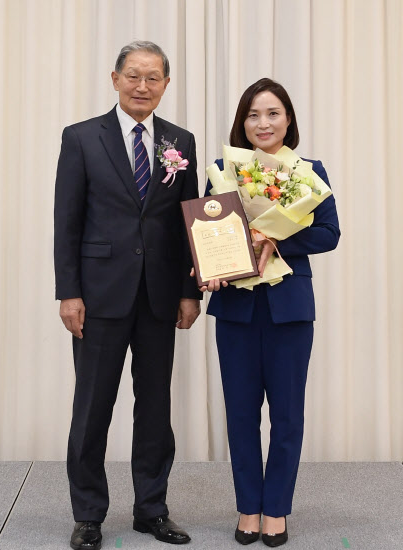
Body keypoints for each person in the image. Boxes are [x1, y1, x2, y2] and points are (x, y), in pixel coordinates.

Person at [54, 41, 201, 550]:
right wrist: (68, 292)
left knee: (155, 408)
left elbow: (190, 224)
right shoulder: (81, 138)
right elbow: (66, 222)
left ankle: (151, 509)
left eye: (154, 77)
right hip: (98, 296)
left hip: (160, 297)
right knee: (92, 407)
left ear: (165, 84)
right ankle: (89, 514)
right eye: (134, 76)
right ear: (114, 78)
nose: (143, 86)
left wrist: (189, 291)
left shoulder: (181, 141)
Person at [202, 78, 340, 547]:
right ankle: (248, 507)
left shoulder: (309, 170)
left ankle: (276, 509)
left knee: (287, 415)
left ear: (288, 119)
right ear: (243, 123)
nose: (263, 123)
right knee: (240, 414)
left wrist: (278, 236)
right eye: (254, 115)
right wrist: (210, 266)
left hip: (289, 309)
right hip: (237, 308)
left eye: (273, 113)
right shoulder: (223, 170)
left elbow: (328, 233)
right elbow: (206, 235)